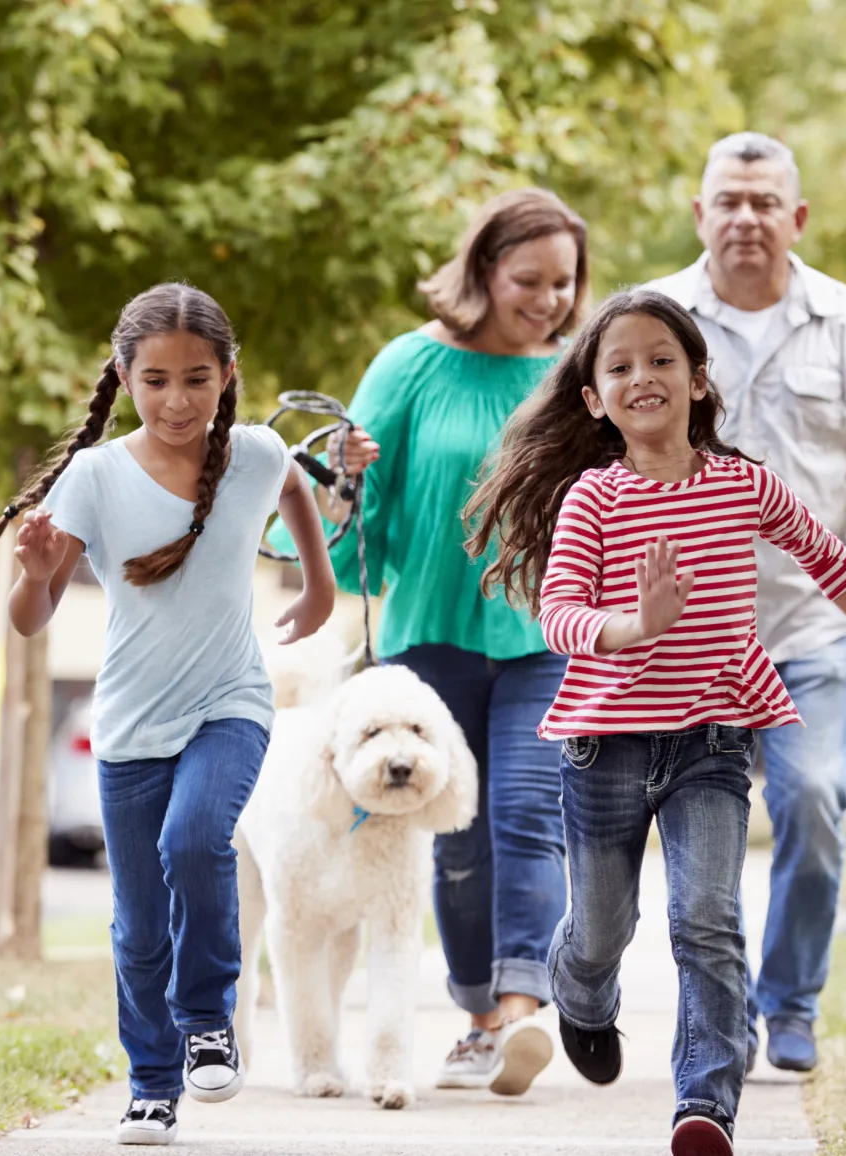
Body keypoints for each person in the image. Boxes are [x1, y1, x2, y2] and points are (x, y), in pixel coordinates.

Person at [464, 290, 846, 1155]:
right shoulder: (593, 500)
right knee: (603, 926)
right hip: (604, 744)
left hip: (714, 742)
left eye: (661, 360)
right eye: (619, 366)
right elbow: (561, 615)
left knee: (707, 920)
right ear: (593, 399)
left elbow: (830, 561)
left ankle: (705, 1104)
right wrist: (634, 628)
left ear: (696, 378)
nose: (642, 377)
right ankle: (580, 993)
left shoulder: (742, 484)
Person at [0, 283, 338, 1148]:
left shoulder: (255, 453)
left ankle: (210, 1021)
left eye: (198, 378)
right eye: (157, 379)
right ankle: (151, 1085)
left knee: (194, 841)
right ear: (124, 376)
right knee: (135, 925)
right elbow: (30, 619)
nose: (177, 400)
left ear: (227, 374)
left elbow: (295, 493)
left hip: (229, 703)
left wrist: (318, 586)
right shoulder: (94, 477)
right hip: (129, 724)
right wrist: (35, 571)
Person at [646, 131, 846, 1074]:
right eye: (727, 200)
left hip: (813, 624)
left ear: (796, 217)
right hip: (686, 637)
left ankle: (793, 1001)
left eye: (764, 202)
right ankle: (719, 1019)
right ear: (699, 214)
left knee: (813, 802)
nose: (744, 217)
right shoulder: (655, 323)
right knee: (695, 843)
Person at [291, 187, 589, 1097]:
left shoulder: (578, 375)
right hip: (428, 640)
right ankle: (476, 1019)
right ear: (483, 271)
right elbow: (360, 524)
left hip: (544, 635)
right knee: (454, 838)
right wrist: (342, 479)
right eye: (526, 280)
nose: (546, 301)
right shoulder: (411, 365)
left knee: (528, 819)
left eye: (563, 284)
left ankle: (519, 1012)